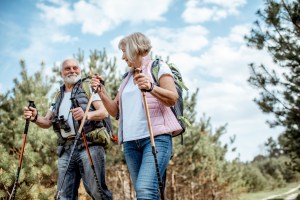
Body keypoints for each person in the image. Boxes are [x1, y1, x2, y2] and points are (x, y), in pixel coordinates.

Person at [91, 32, 182, 200]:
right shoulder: (126, 78)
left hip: (155, 139)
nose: (122, 57)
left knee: (145, 190)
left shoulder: (158, 66)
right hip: (131, 143)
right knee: (148, 192)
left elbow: (172, 97)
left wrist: (150, 87)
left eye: (124, 51)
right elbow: (115, 111)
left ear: (134, 49)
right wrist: (102, 92)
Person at [23, 58, 113, 200]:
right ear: (61, 73)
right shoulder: (58, 95)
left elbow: (104, 112)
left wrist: (86, 115)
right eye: (68, 68)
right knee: (63, 195)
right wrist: (35, 117)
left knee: (97, 192)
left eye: (75, 67)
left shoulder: (88, 87)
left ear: (80, 70)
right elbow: (47, 121)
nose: (72, 71)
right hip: (66, 148)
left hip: (89, 145)